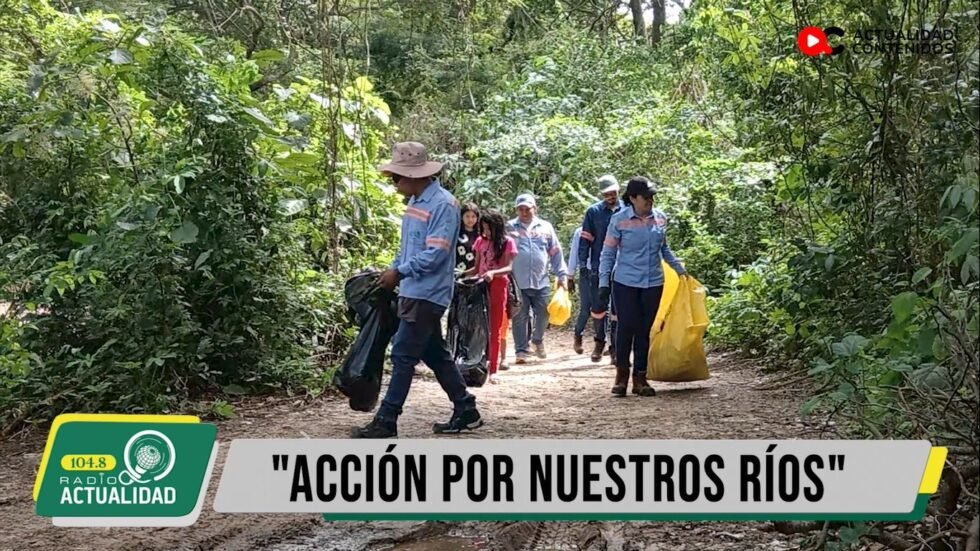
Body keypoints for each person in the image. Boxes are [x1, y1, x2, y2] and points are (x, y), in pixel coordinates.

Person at [352, 142, 482, 438]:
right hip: (411, 288)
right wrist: (392, 271)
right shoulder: (415, 202)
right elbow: (407, 248)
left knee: (403, 355)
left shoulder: (443, 205)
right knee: (435, 353)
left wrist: (400, 272)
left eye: (397, 177)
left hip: (428, 292)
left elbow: (436, 254)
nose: (394, 182)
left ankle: (387, 419)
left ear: (415, 175)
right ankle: (465, 408)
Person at [595, 176, 688, 397]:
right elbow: (608, 253)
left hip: (653, 282)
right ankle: (621, 376)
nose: (650, 200)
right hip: (625, 282)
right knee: (627, 327)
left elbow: (663, 249)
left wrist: (680, 270)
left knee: (644, 331)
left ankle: (640, 378)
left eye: (652, 196)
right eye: (646, 197)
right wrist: (603, 282)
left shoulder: (661, 219)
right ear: (633, 198)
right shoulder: (619, 220)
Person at [508, 193, 568, 364]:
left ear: (535, 208)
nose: (525, 212)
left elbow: (555, 252)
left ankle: (537, 339)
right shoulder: (510, 228)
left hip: (540, 279)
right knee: (520, 315)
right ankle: (521, 350)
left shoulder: (546, 227)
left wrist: (562, 275)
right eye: (521, 209)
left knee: (543, 313)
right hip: (517, 281)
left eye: (528, 209)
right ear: (516, 210)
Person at [578, 175, 624, 363]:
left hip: (622, 267)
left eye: (613, 192)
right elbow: (585, 240)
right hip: (598, 266)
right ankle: (599, 342)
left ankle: (615, 348)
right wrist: (583, 265)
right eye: (607, 193)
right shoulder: (593, 212)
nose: (611, 195)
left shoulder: (627, 210)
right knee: (598, 308)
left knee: (618, 309)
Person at [473, 209, 518, 384]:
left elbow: (508, 268)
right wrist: (461, 275)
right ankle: (475, 363)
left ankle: (493, 369)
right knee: (477, 327)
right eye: (483, 228)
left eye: (489, 228)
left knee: (495, 328)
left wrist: (493, 273)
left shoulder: (508, 242)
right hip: (480, 287)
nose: (486, 232)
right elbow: (476, 268)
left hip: (498, 287)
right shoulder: (479, 242)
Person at [567, 226, 592, 355]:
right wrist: (570, 276)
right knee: (586, 308)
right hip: (586, 272)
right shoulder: (581, 231)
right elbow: (574, 253)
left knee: (606, 309)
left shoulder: (610, 227)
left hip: (605, 271)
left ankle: (604, 342)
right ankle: (578, 336)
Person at [456, 203, 480, 277]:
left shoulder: (481, 234)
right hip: (458, 271)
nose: (470, 219)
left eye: (473, 216)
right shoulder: (456, 233)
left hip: (475, 273)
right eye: (467, 216)